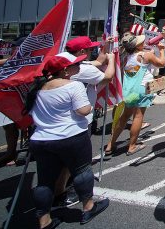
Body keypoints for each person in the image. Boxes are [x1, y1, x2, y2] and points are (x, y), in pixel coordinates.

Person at [24, 54, 109, 228]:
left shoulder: (37, 88)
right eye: (74, 64)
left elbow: (31, 114)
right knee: (81, 171)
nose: (78, 65)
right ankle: (88, 207)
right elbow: (83, 110)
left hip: (42, 139)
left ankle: (44, 220)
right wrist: (91, 105)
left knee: (44, 181)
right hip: (70, 136)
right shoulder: (74, 86)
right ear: (64, 71)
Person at [53, 36, 115, 208]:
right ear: (81, 52)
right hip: (78, 121)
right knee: (77, 162)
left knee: (64, 161)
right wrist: (112, 60)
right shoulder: (79, 68)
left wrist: (106, 45)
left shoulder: (64, 61)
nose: (91, 51)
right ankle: (68, 193)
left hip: (58, 122)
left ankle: (59, 190)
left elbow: (96, 61)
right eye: (88, 49)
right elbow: (107, 76)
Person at [105, 33, 165, 157]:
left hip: (128, 90)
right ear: (137, 46)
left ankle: (110, 144)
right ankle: (132, 145)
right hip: (142, 89)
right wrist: (162, 50)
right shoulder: (145, 55)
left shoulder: (125, 57)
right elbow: (162, 63)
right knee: (138, 116)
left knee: (124, 117)